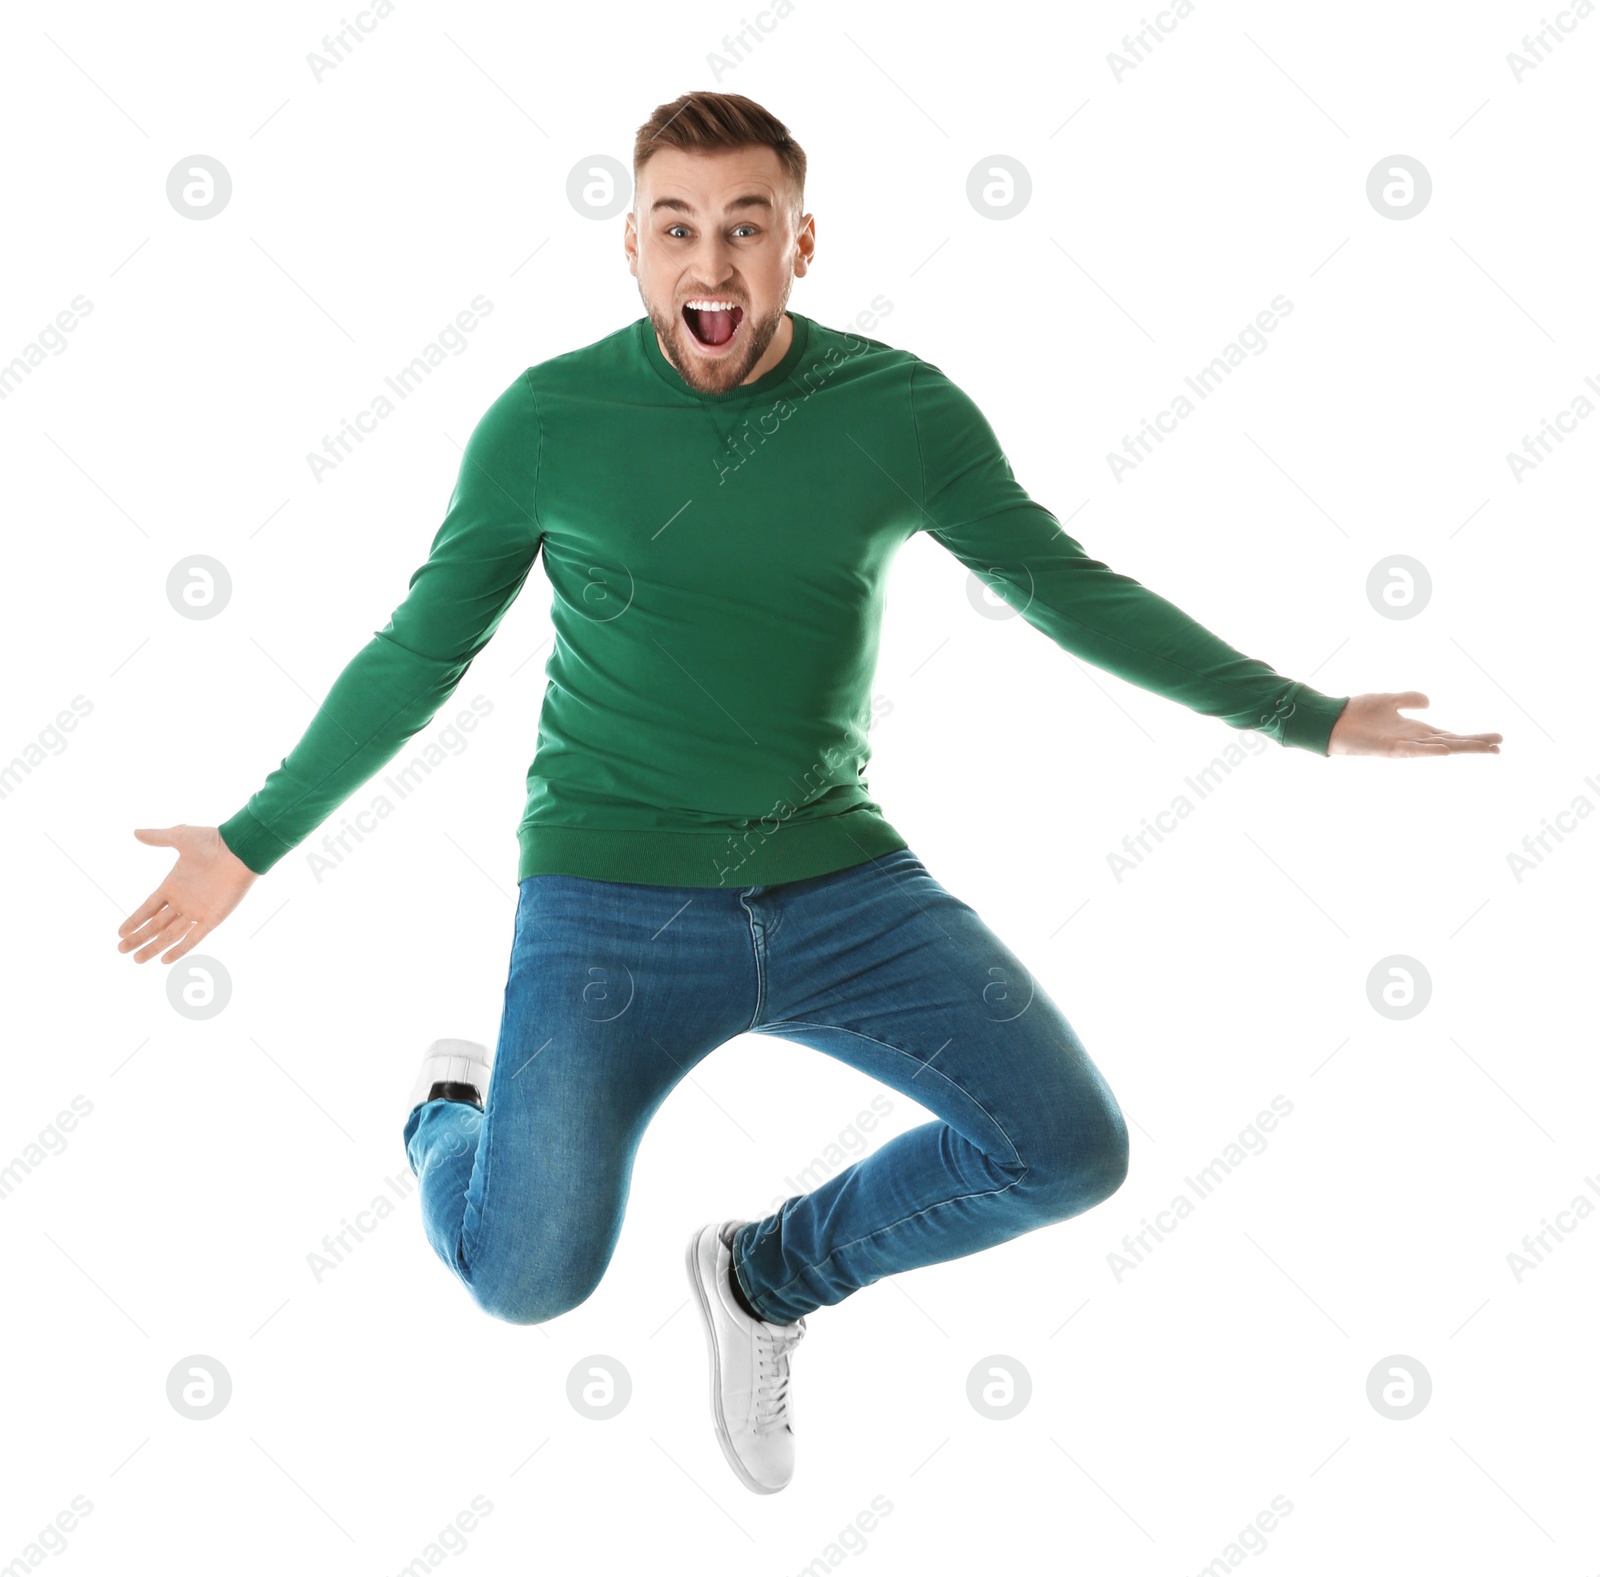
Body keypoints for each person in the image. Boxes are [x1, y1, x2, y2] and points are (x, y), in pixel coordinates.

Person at [116, 90, 1502, 1495]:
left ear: (801, 243)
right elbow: (420, 651)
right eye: (677, 229)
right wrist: (249, 840)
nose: (709, 263)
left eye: (744, 227)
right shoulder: (549, 422)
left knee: (1068, 1146)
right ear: (634, 250)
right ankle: (449, 1116)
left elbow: (1068, 592)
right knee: (523, 1280)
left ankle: (766, 1275)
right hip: (610, 909)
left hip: (842, 888)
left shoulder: (896, 411)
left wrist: (1307, 717)